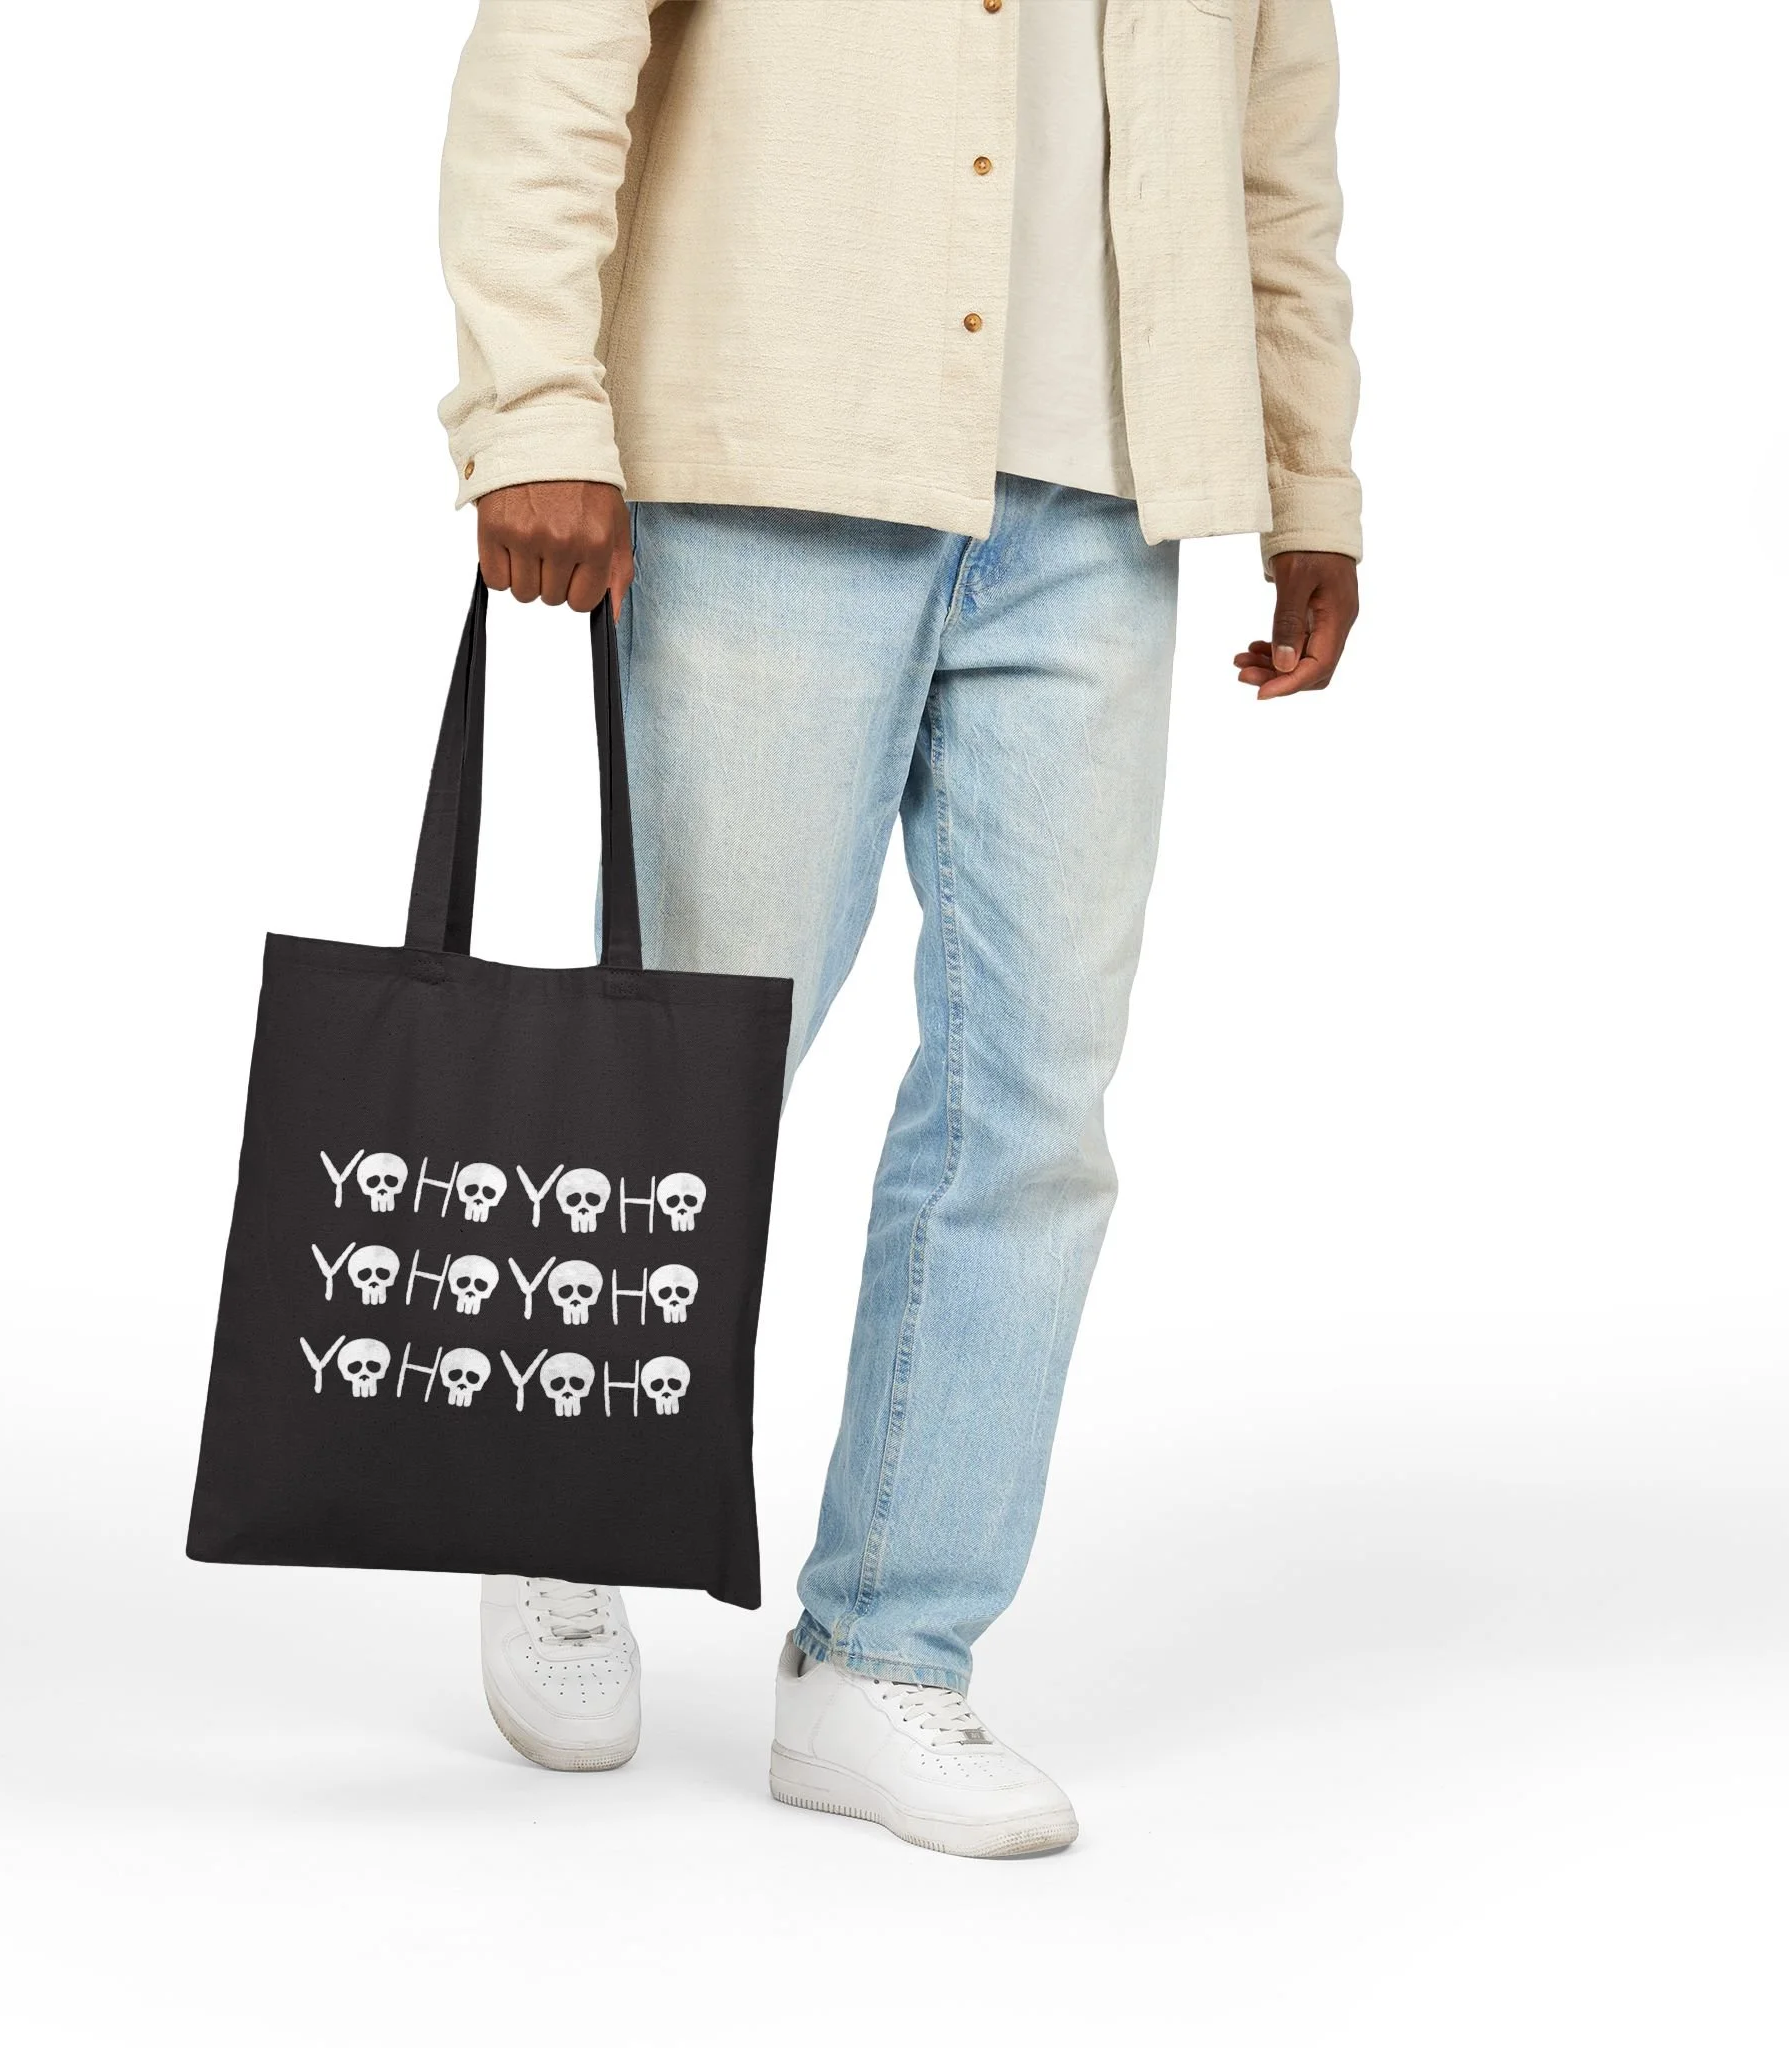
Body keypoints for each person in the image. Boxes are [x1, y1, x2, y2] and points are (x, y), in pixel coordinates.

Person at [443, 0, 1361, 1858]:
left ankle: (888, 1650)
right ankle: (557, 1514)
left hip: (1106, 503)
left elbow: (1279, 147)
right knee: (694, 1071)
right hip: (782, 444)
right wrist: (532, 404)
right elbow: (555, 54)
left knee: (1036, 1101)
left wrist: (1307, 468)